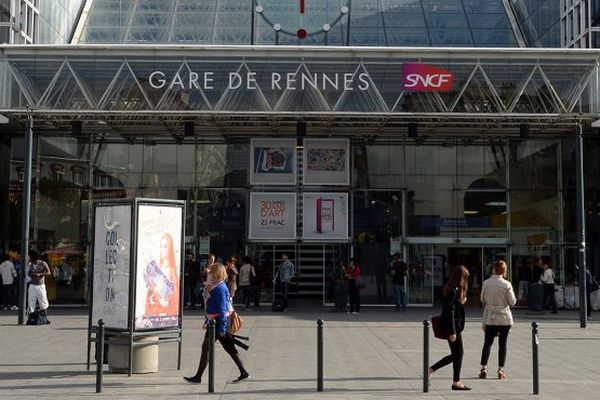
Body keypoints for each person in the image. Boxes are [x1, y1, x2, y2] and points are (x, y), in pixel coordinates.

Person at [184, 263, 249, 384]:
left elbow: (223, 309)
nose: (209, 273)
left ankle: (198, 377)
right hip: (215, 321)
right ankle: (243, 372)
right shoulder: (215, 285)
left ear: (217, 273)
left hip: (218, 322)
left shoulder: (220, 288)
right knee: (226, 348)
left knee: (210, 348)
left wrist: (222, 328)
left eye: (211, 272)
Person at [429, 265, 471, 391]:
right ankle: (433, 370)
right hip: (452, 327)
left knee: (458, 354)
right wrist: (452, 331)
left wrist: (461, 301)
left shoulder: (453, 289)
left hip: (454, 326)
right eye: (466, 278)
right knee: (458, 353)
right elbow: (449, 311)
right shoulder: (454, 291)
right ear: (461, 278)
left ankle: (454, 381)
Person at [478, 260, 517, 380]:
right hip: (504, 317)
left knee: (487, 343)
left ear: (493, 269)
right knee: (502, 344)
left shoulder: (486, 283)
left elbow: (482, 299)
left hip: (490, 316)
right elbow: (512, 302)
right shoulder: (507, 284)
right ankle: (500, 370)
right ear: (504, 271)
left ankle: (483, 368)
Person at [145, 233, 179, 317]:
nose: (162, 249)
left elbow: (173, 296)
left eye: (165, 246)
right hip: (154, 310)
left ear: (170, 248)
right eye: (161, 246)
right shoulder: (156, 268)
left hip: (166, 311)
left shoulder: (173, 271)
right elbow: (150, 293)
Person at [27, 249, 52, 319]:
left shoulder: (43, 263)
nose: (29, 257)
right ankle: (31, 316)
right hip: (32, 285)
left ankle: (44, 316)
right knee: (31, 300)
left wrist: (40, 274)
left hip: (41, 285)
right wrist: (32, 274)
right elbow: (28, 274)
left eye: (30, 256)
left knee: (43, 300)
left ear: (33, 256)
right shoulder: (30, 264)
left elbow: (49, 272)